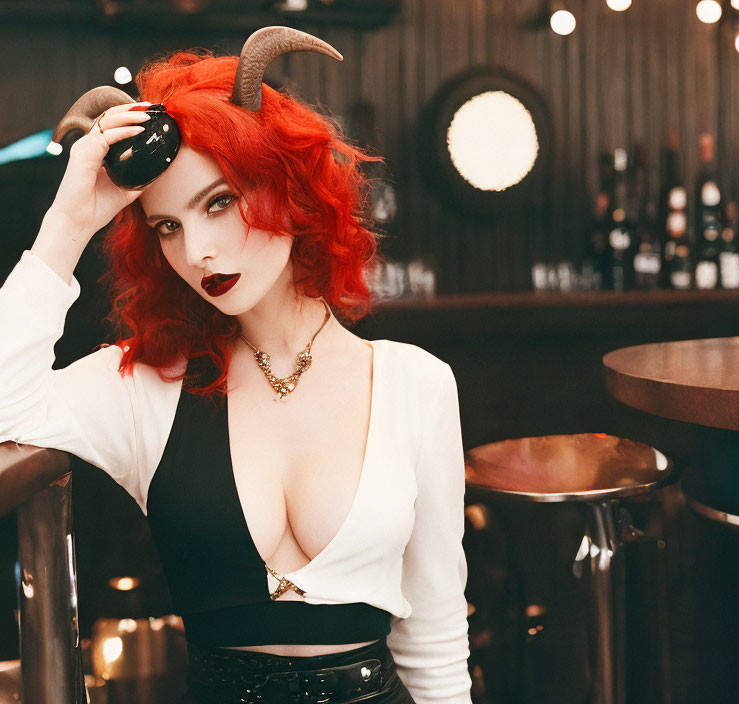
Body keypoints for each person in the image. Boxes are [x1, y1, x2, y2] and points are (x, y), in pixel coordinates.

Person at [0, 26, 472, 704]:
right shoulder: (148, 385)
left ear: (288, 185)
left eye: (219, 202)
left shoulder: (414, 384)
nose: (197, 251)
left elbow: (434, 643)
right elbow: (4, 404)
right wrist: (69, 223)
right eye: (167, 226)